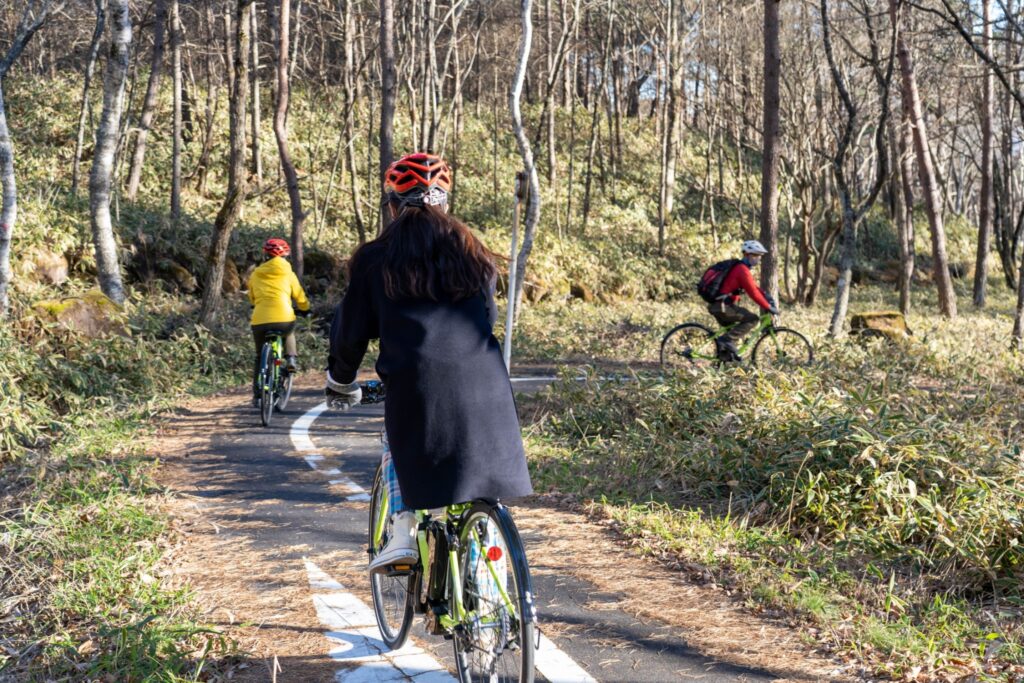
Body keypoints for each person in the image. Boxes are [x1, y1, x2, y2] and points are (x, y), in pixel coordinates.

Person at [324, 152, 533, 572]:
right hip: (487, 383)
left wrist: (340, 379)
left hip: (416, 385)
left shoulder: (374, 258)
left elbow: (351, 334)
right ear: (444, 202)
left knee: (395, 441)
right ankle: (485, 567)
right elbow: (487, 319)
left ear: (392, 204)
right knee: (479, 487)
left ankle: (402, 533)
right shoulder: (475, 253)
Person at [248, 238, 310, 404]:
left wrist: (256, 304)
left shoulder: (256, 274)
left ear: (265, 255)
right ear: (285, 255)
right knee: (289, 330)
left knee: (259, 355)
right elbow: (299, 296)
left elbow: (252, 297)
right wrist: (305, 309)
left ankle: (257, 395)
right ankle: (291, 359)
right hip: (283, 317)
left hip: (260, 319)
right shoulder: (288, 274)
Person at [707, 240, 778, 361]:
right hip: (723, 307)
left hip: (719, 306)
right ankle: (726, 341)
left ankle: (722, 361)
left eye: (759, 256)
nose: (758, 258)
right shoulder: (742, 270)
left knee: (730, 338)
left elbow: (754, 287)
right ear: (747, 255)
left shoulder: (741, 268)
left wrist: (766, 296)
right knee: (752, 319)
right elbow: (753, 293)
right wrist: (768, 306)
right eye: (756, 255)